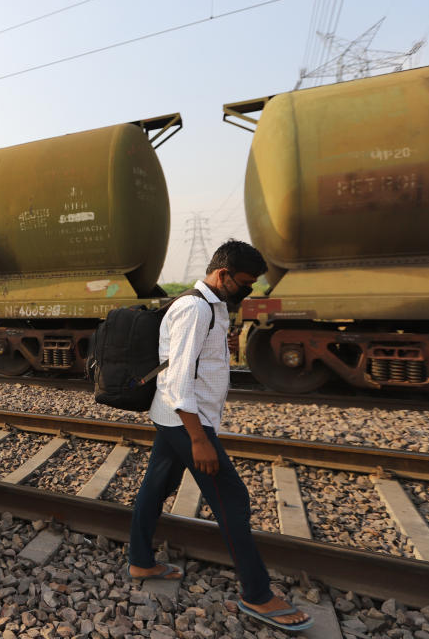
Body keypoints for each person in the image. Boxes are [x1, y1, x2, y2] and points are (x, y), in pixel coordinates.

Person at [128, 240, 313, 632]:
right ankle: (258, 594)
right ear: (222, 275)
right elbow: (178, 379)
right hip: (186, 420)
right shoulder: (195, 308)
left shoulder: (211, 308)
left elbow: (193, 361)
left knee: (156, 485)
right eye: (244, 283)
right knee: (232, 501)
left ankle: (141, 560)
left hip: (177, 417)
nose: (249, 290)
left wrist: (220, 349)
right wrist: (199, 439)